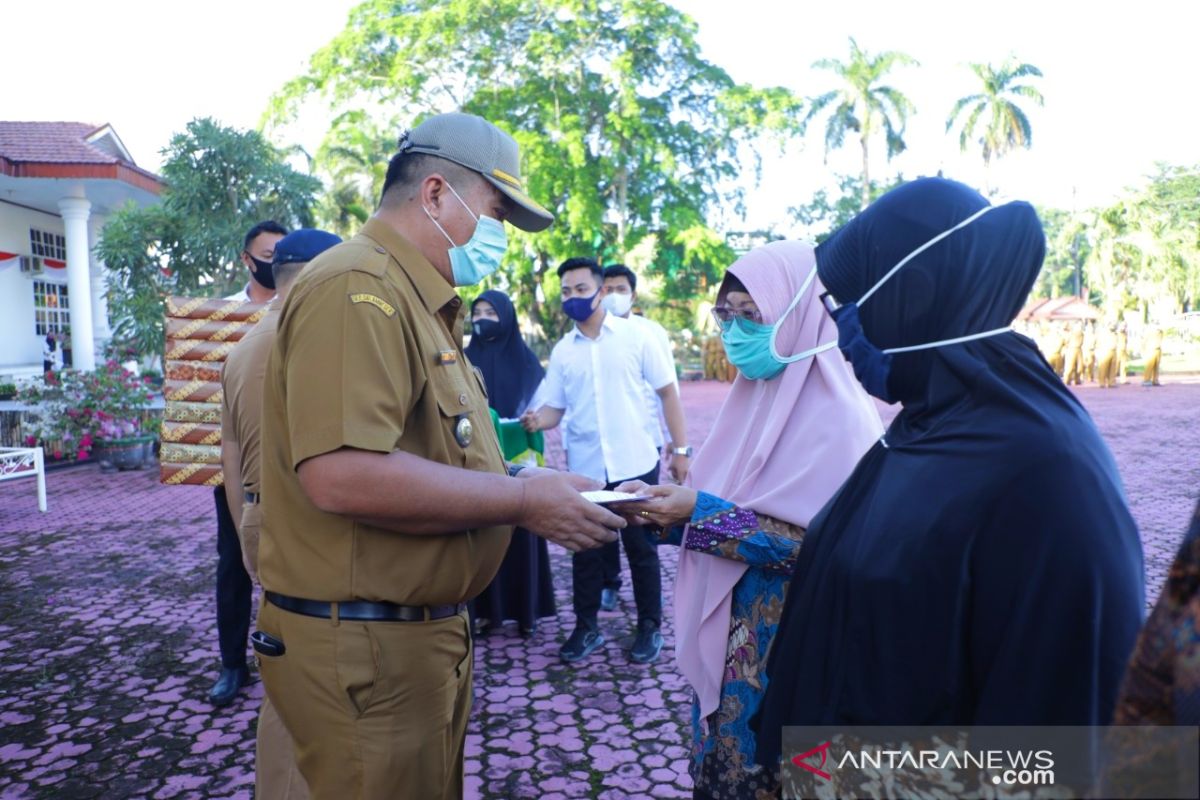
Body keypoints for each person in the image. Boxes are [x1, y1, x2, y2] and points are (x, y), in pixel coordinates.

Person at [253, 112, 623, 800]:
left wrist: (521, 477)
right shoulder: (356, 289)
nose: (500, 237)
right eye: (495, 212)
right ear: (433, 195)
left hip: (406, 645)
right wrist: (520, 501)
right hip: (368, 653)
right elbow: (341, 472)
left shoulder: (417, 302)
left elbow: (422, 450)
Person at [753, 178, 1145, 777]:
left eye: (847, 305)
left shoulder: (1046, 470)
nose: (841, 330)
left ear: (916, 293)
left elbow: (1063, 739)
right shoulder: (927, 423)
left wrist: (858, 782)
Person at [612, 241, 882, 797]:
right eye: (726, 314)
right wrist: (662, 508)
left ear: (797, 313)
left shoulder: (842, 417)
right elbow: (725, 513)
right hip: (731, 642)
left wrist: (701, 513)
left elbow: (821, 546)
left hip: (788, 648)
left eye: (750, 314)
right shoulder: (752, 401)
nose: (734, 330)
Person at [521, 256, 691, 665]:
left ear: (600, 291)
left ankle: (650, 627)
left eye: (581, 289)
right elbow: (554, 410)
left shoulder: (637, 337)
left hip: (635, 461)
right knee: (586, 550)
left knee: (641, 549)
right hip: (587, 469)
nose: (573, 298)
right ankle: (586, 627)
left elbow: (668, 392)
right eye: (565, 292)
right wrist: (535, 419)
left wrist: (680, 450)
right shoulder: (563, 352)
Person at [222, 228, 341, 800]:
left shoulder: (241, 350)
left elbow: (229, 455)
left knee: (284, 680)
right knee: (326, 688)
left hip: (258, 518)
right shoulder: (323, 341)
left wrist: (248, 525)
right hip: (316, 524)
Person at [210, 219, 286, 707]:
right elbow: (193, 392)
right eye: (265, 254)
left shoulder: (302, 308)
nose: (273, 263)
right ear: (246, 258)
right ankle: (232, 664)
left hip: (289, 462)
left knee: (294, 556)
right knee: (234, 561)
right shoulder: (218, 320)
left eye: (282, 254)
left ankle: (285, 654)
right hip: (233, 465)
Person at [463, 289, 556, 637]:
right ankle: (486, 613)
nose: (482, 318)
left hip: (516, 457)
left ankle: (526, 612)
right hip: (474, 459)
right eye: (478, 311)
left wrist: (533, 420)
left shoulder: (527, 362)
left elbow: (541, 408)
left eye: (491, 312)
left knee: (520, 532)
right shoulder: (461, 356)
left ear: (507, 317)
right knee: (483, 534)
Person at [597, 263, 681, 613]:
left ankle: (650, 610)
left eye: (620, 289)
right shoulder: (593, 336)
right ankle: (610, 582)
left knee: (640, 524)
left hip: (644, 442)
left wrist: (679, 445)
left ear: (632, 293)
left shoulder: (650, 332)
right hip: (603, 446)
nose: (613, 295)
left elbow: (668, 390)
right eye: (608, 289)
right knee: (602, 520)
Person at [1064, 320, 1084, 385]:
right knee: (1070, 366)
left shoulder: (1082, 334)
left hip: (1079, 349)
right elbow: (1066, 341)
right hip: (1071, 349)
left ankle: (1077, 379)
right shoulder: (1070, 334)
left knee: (1079, 366)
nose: (1080, 327)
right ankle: (1067, 380)